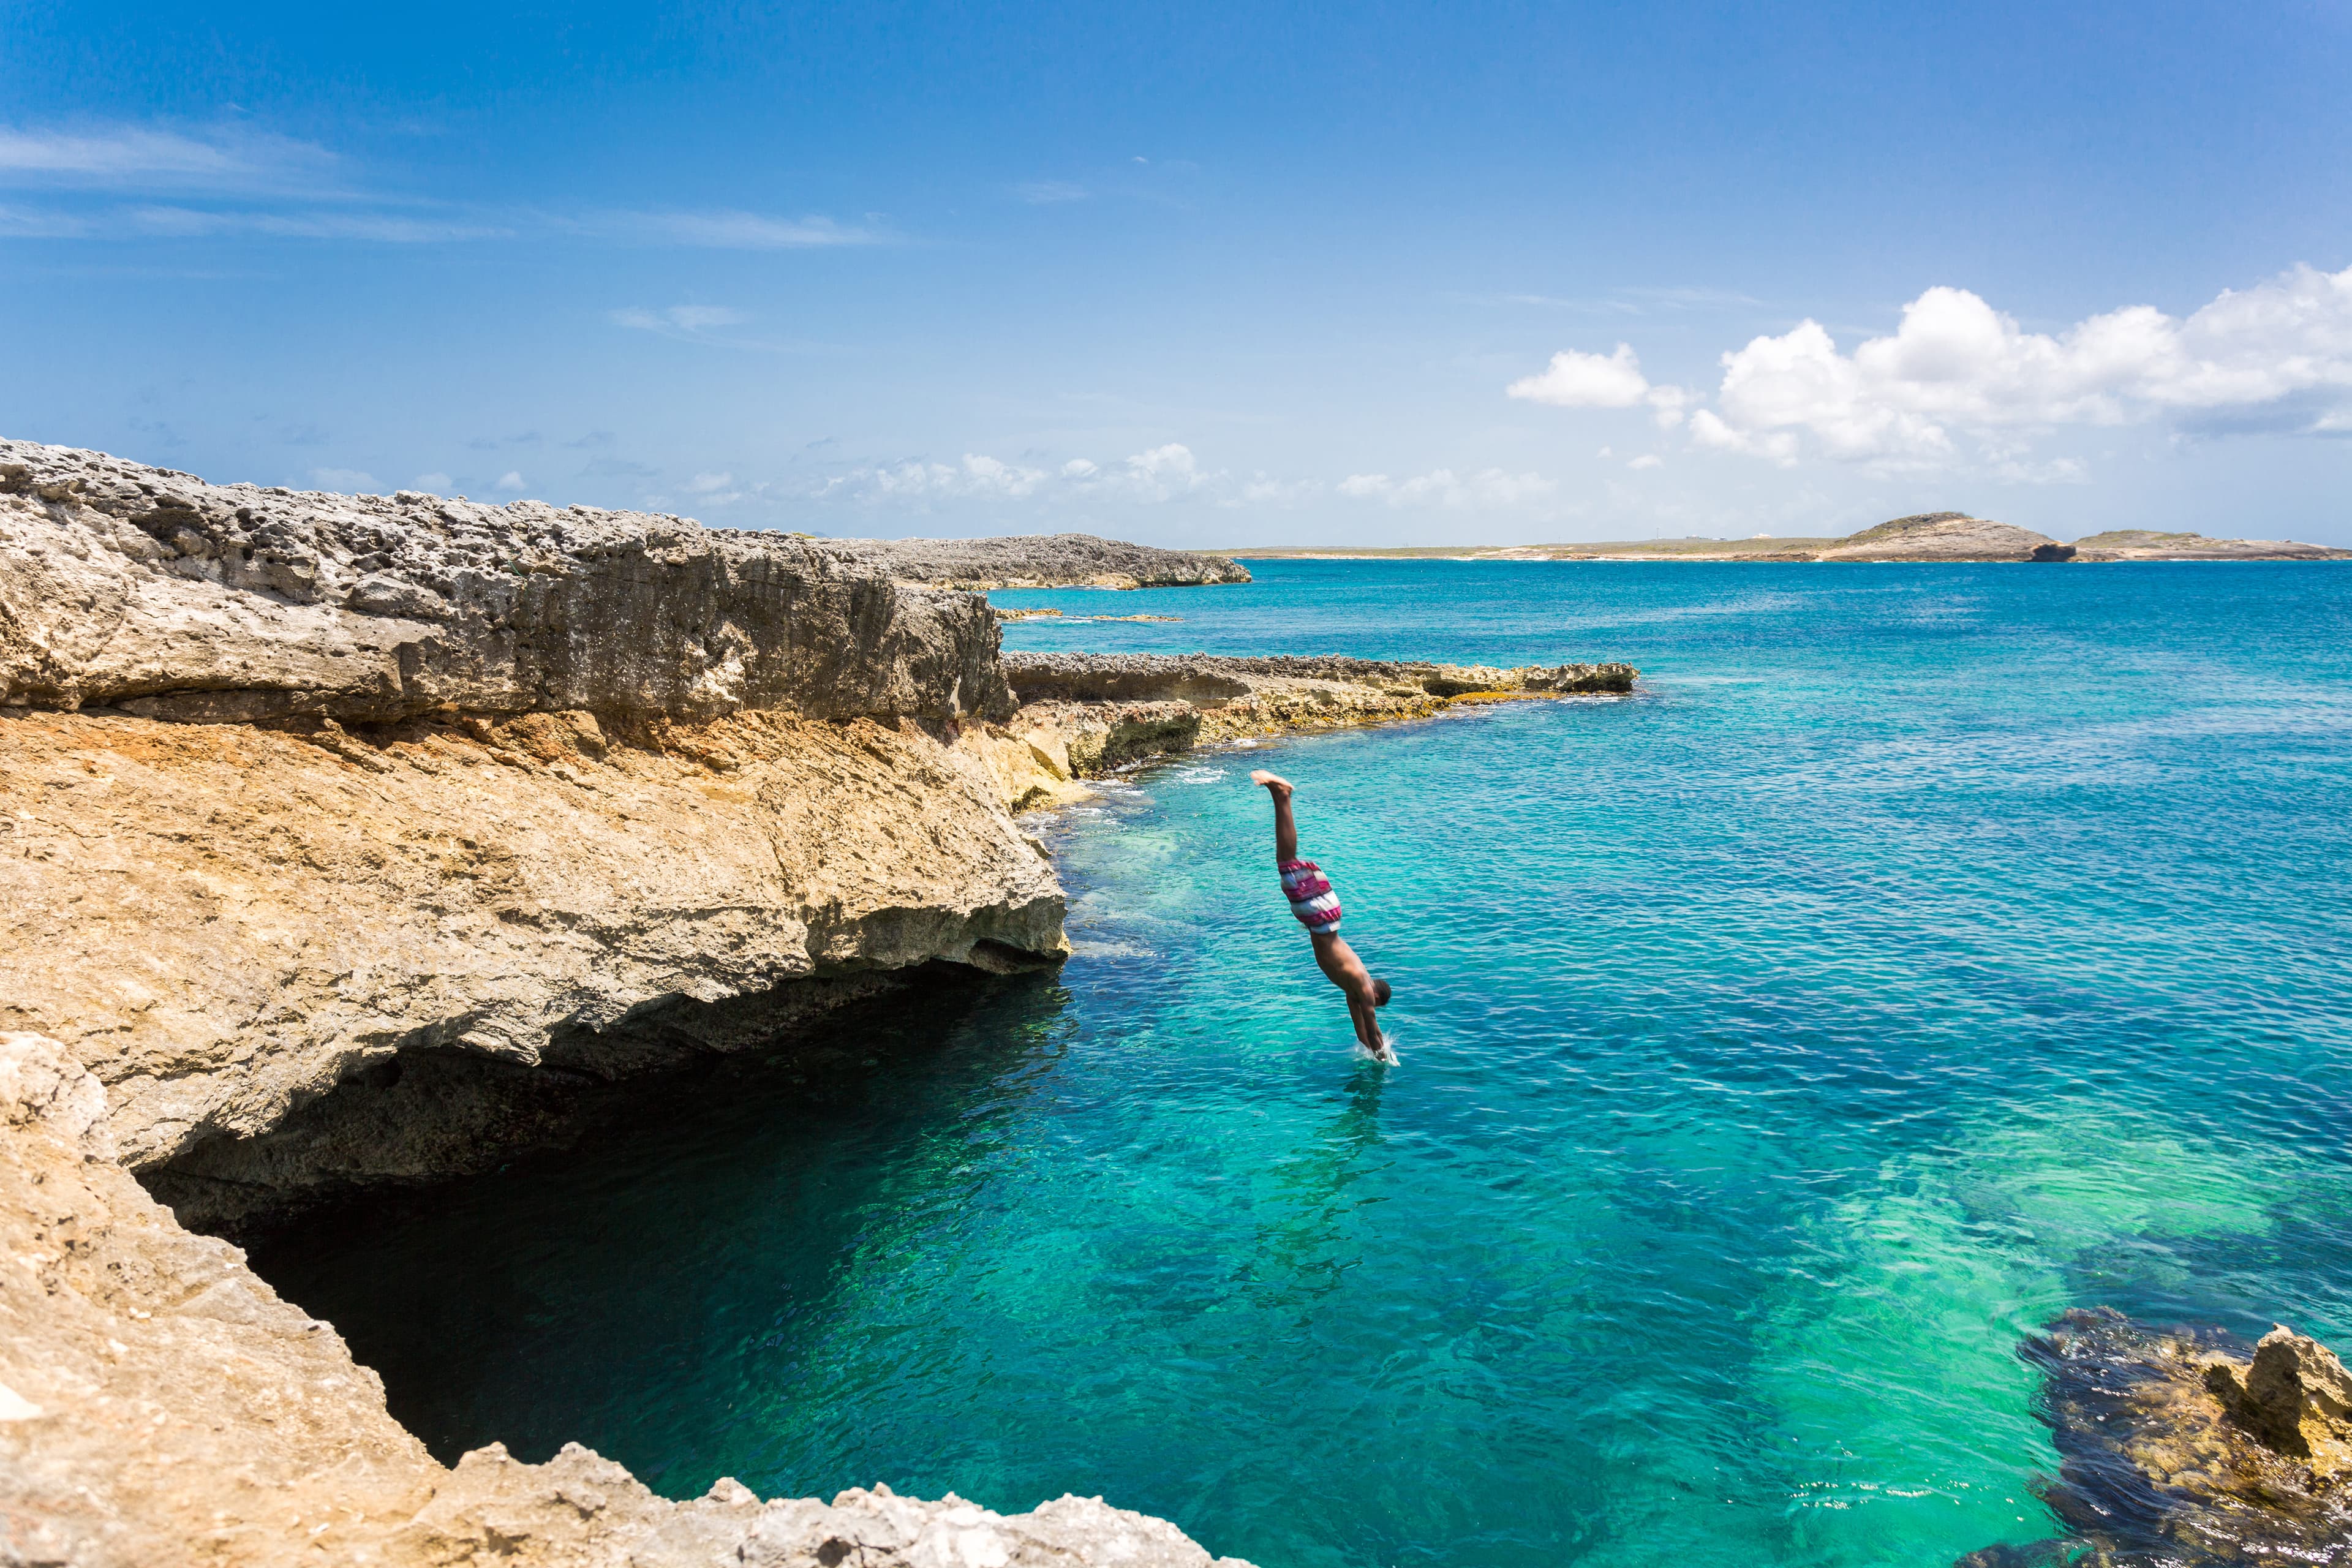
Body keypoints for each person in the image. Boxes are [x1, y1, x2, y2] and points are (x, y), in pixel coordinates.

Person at [1251, 770, 1395, 1061]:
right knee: (1287, 863)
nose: (1369, 1006)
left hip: (1323, 920)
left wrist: (1371, 1054)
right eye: (1374, 1005)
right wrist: (1385, 1061)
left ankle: (1280, 796)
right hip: (1321, 920)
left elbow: (1361, 1031)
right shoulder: (1362, 987)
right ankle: (1282, 796)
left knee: (1287, 864)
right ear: (1377, 997)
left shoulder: (1354, 989)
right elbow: (1373, 1029)